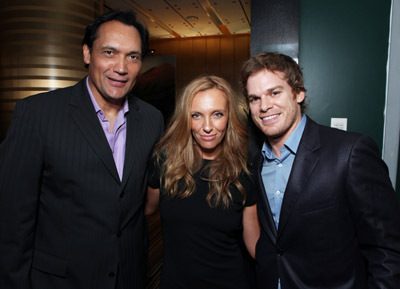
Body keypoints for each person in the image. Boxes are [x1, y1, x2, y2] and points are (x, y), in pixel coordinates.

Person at [0, 9, 164, 289]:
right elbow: (12, 222)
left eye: (133, 56)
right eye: (109, 52)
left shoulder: (152, 119)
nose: (121, 67)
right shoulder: (37, 114)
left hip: (129, 277)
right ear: (87, 53)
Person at [240, 51, 400, 289]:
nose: (264, 106)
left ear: (298, 93)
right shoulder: (256, 162)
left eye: (274, 92)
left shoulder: (349, 152)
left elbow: (387, 251)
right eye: (254, 98)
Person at [145, 75, 260, 289]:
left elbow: (253, 241)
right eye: (196, 115)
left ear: (229, 117)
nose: (207, 127)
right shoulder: (165, 162)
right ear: (186, 119)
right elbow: (145, 209)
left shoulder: (244, 169)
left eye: (217, 114)